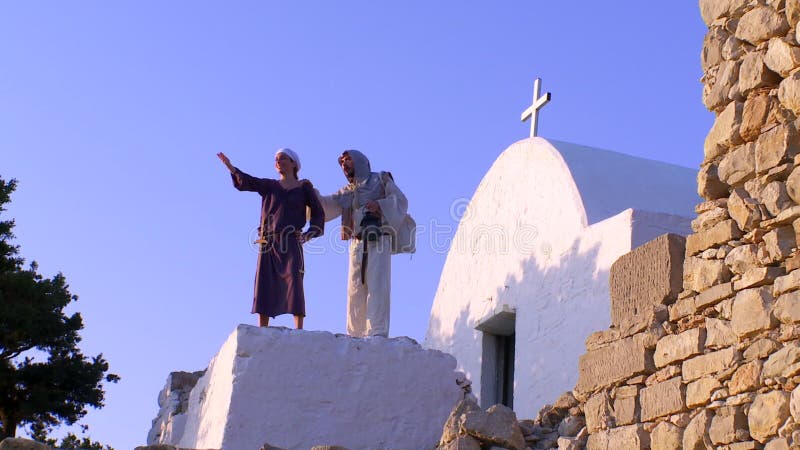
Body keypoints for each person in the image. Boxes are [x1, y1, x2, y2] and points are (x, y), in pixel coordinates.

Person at [217, 149, 324, 329]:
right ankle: (262, 328)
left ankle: (299, 328)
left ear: (293, 163)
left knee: (294, 279)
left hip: (291, 240)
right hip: (269, 241)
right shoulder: (271, 186)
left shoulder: (304, 187)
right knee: (265, 281)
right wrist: (231, 168)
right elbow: (250, 182)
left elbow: (318, 214)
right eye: (276, 159)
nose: (278, 161)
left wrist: (308, 234)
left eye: (282, 158)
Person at [318, 150, 409, 337]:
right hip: (357, 243)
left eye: (348, 159)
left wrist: (380, 206)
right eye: (341, 162)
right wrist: (310, 195)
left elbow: (400, 201)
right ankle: (355, 335)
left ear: (360, 161)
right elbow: (326, 206)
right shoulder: (348, 191)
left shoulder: (381, 180)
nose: (344, 164)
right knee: (355, 288)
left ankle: (377, 332)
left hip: (378, 239)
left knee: (377, 285)